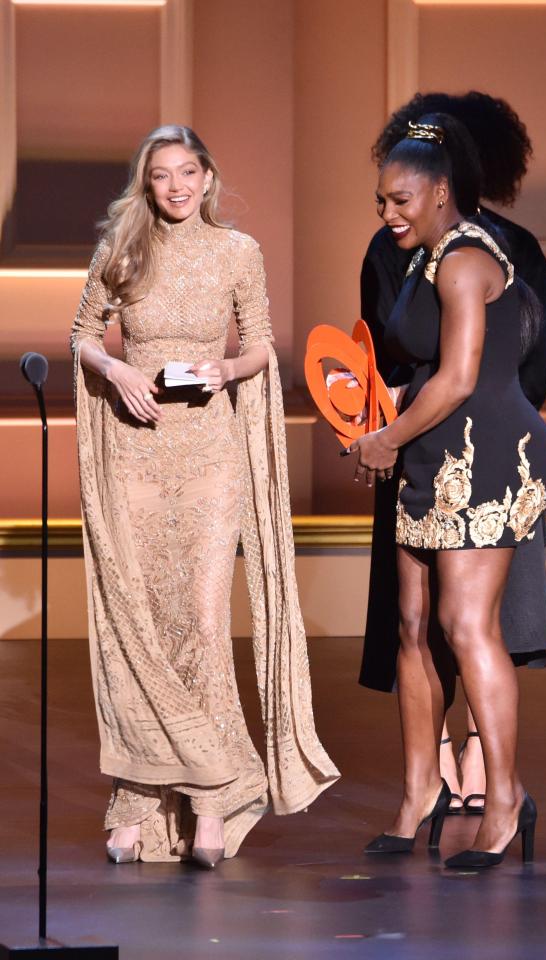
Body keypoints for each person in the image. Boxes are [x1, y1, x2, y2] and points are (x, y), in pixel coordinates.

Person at [71, 125, 339, 869]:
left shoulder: (236, 252)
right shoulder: (121, 250)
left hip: (209, 454)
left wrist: (228, 371)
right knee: (142, 622)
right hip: (136, 449)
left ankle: (212, 796)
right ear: (146, 183)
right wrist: (115, 369)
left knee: (200, 617)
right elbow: (81, 334)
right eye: (162, 176)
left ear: (207, 176)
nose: (177, 186)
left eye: (188, 171)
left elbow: (262, 345)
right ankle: (136, 798)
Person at [347, 113, 546, 867]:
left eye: (399, 200)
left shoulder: (467, 259)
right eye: (380, 202)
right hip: (426, 454)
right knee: (411, 628)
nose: (388, 214)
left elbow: (460, 376)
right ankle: (418, 795)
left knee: (467, 628)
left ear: (441, 193)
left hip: (488, 453)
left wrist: (384, 440)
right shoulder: (418, 258)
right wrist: (381, 429)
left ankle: (504, 804)